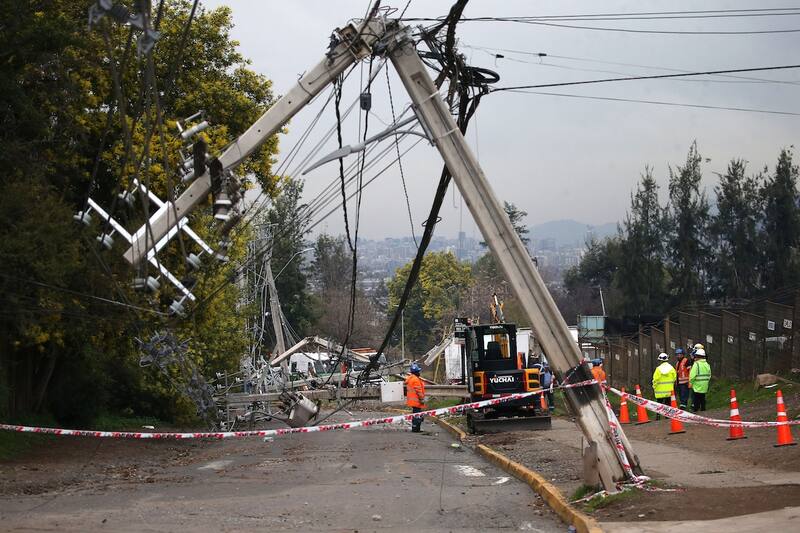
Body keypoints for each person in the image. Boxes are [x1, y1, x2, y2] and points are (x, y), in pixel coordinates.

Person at [652, 353, 677, 419]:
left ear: (660, 360)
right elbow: (674, 378)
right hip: (669, 390)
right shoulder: (671, 368)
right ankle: (667, 416)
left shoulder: (658, 369)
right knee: (668, 403)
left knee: (659, 404)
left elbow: (655, 379)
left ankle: (658, 416)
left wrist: (654, 386)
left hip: (659, 391)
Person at [405, 362, 426, 433]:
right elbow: (419, 391)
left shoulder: (410, 378)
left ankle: (415, 428)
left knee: (415, 415)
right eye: (418, 371)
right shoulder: (416, 380)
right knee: (417, 415)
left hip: (413, 401)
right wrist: (422, 399)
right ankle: (416, 429)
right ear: (417, 372)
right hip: (417, 401)